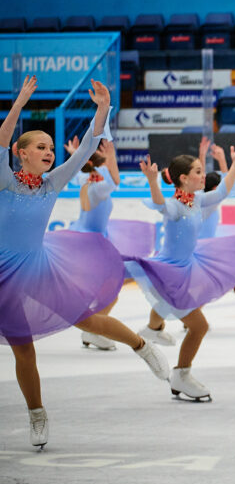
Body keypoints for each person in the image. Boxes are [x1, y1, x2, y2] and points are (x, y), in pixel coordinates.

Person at [0, 76, 169, 449]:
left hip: (39, 269)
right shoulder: (5, 182)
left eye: (50, 148)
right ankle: (36, 413)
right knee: (23, 348)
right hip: (3, 274)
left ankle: (142, 346)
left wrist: (103, 107)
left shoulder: (52, 183)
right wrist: (19, 105)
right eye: (40, 147)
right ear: (20, 152)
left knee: (83, 320)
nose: (48, 152)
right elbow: (1, 137)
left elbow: (88, 147)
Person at [126, 138, 235, 401]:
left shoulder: (196, 200)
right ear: (183, 178)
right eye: (198, 171)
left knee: (188, 319)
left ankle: (153, 332)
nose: (202, 175)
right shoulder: (174, 205)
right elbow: (161, 204)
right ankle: (181, 374)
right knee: (199, 327)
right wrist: (152, 181)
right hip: (171, 273)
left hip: (188, 267)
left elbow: (222, 192)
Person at [65, 138, 156, 350]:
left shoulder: (86, 181)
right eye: (104, 163)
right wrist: (111, 157)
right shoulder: (97, 188)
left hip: (92, 242)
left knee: (111, 288)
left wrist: (76, 154)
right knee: (112, 287)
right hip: (92, 245)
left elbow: (89, 172)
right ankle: (93, 329)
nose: (108, 166)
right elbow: (115, 181)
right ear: (98, 167)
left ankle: (93, 327)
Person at [197, 136, 235, 240]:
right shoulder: (211, 202)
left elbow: (201, 178)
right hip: (204, 247)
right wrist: (224, 160)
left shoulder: (199, 195)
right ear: (215, 188)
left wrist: (202, 155)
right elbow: (227, 184)